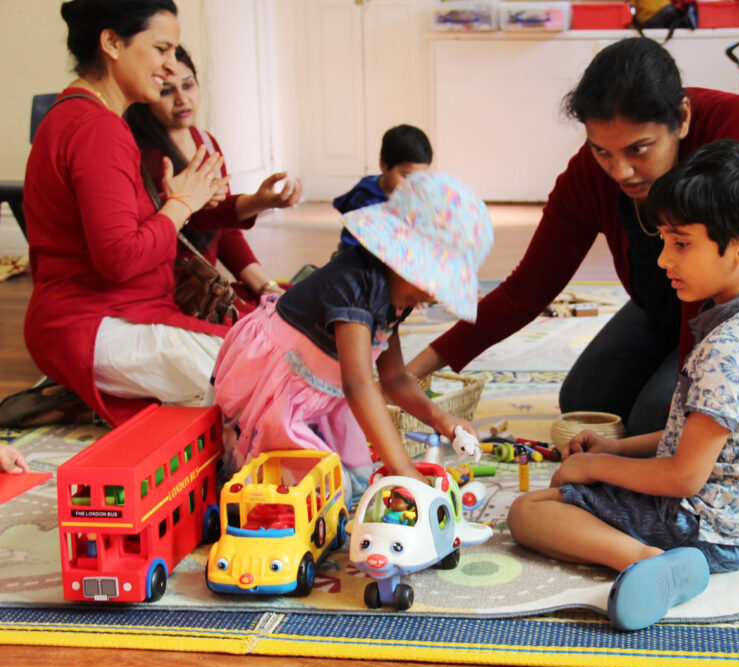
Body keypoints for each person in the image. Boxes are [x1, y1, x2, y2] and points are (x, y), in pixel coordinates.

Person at [407, 37, 739, 440]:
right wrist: (411, 373)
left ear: (682, 119)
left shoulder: (734, 126)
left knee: (659, 423)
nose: (620, 170)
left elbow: (721, 277)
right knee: (586, 403)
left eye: (639, 150)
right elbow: (527, 288)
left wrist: (687, 407)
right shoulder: (589, 176)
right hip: (675, 299)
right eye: (602, 150)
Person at [507, 139, 739, 631]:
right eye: (664, 240)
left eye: (681, 243)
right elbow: (696, 441)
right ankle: (658, 555)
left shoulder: (728, 347)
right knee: (580, 477)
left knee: (530, 510)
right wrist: (613, 450)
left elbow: (684, 477)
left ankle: (646, 560)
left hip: (706, 528)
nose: (664, 259)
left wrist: (594, 464)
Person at [210, 171, 492, 503]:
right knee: (302, 491)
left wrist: (441, 419)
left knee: (350, 483)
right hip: (278, 384)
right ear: (400, 257)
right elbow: (358, 384)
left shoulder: (395, 293)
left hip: (319, 390)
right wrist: (404, 471)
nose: (427, 299)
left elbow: (394, 377)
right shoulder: (354, 284)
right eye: (429, 284)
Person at [22, 0, 229, 428]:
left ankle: (98, 397)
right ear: (112, 43)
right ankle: (98, 392)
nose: (171, 67)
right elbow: (118, 258)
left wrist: (173, 208)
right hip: (95, 325)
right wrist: (180, 206)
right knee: (265, 372)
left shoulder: (82, 114)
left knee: (256, 352)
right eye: (161, 50)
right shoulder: (97, 127)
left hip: (104, 317)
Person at [124, 45, 302, 315]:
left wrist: (264, 286)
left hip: (206, 285)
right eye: (167, 90)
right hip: (172, 296)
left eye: (188, 85)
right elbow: (194, 222)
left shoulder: (205, 142)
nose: (183, 99)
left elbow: (223, 231)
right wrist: (254, 202)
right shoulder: (144, 159)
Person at [332, 124, 432, 251]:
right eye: (406, 176)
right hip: (363, 257)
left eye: (420, 177)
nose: (412, 183)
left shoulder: (417, 195)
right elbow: (353, 246)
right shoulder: (364, 200)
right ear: (383, 165)